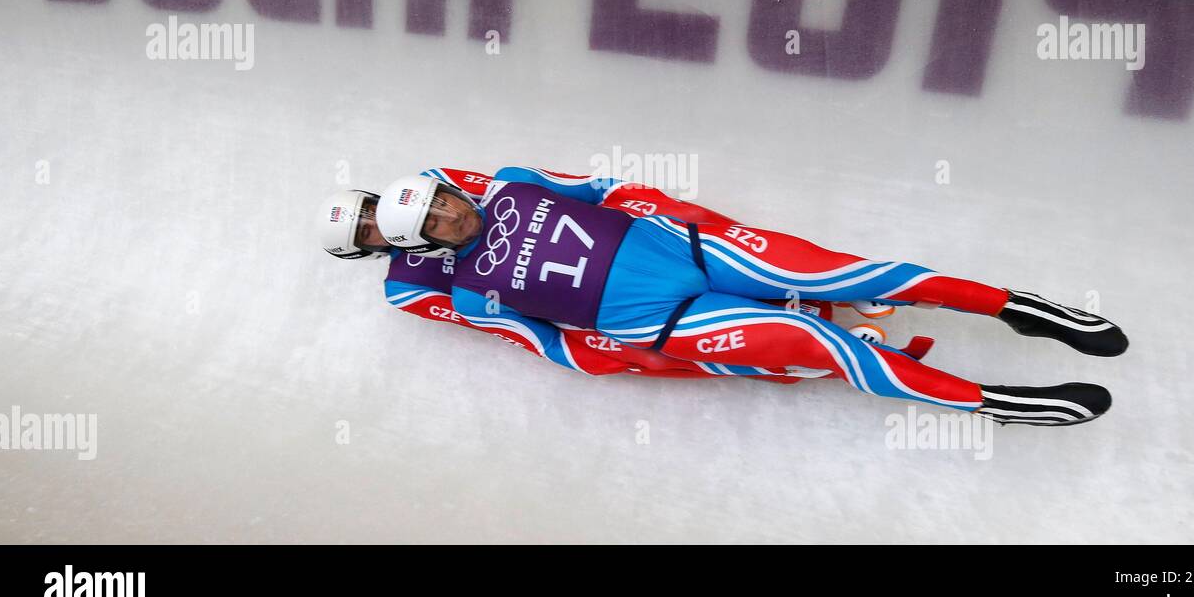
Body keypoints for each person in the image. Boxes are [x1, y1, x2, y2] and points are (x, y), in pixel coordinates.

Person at [374, 166, 1128, 426]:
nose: (450, 213)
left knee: (854, 274)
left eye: (442, 200)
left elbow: (604, 188)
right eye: (434, 222)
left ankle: (1020, 307)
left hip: (698, 251)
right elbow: (554, 345)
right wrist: (634, 355)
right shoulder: (473, 295)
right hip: (674, 320)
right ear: (423, 245)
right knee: (826, 348)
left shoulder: (511, 183)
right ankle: (1000, 401)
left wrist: (673, 216)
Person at [318, 168, 843, 381]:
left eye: (371, 212)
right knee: (643, 355)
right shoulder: (404, 289)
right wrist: (574, 347)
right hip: (575, 305)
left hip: (597, 242)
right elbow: (490, 322)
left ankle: (786, 279)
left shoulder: (428, 185)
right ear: (363, 253)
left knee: (687, 222)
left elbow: (510, 193)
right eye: (366, 235)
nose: (377, 229)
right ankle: (782, 363)